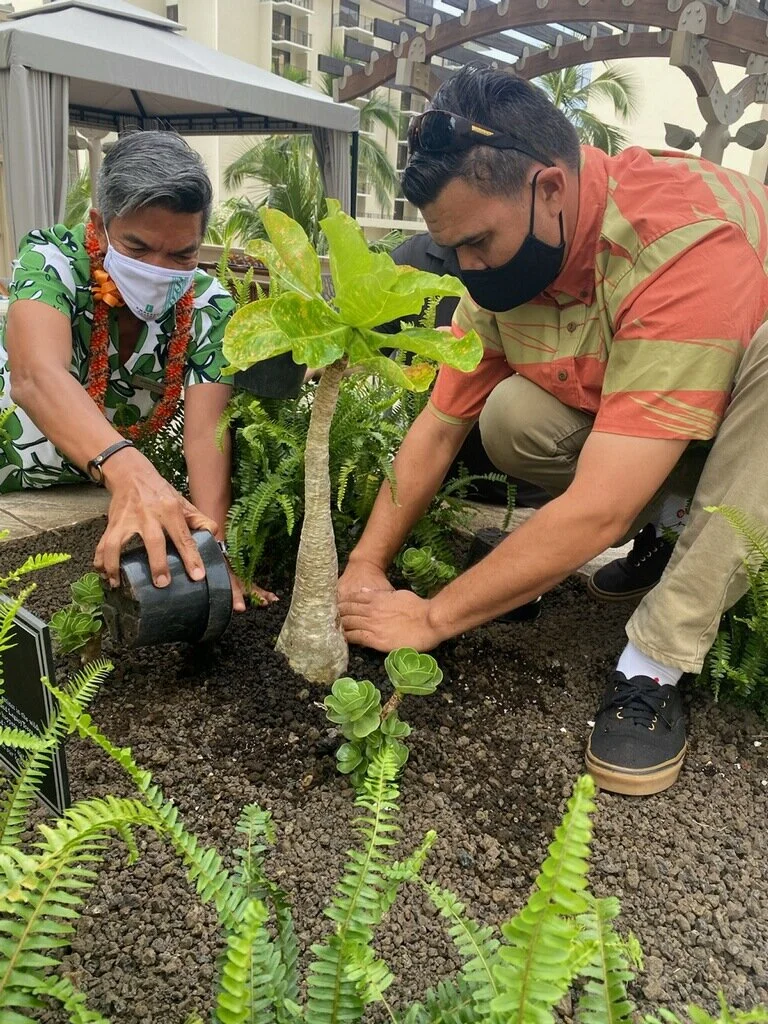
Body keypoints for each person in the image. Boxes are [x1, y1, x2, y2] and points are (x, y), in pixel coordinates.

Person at [338, 66, 768, 796]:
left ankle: (656, 660)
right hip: (670, 423)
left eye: (479, 242)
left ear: (550, 189)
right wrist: (365, 564)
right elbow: (438, 429)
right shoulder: (516, 255)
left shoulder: (679, 243)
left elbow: (599, 509)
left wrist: (434, 618)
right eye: (453, 250)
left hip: (750, 431)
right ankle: (669, 528)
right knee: (512, 416)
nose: (468, 268)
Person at [0, 130, 277, 611]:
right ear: (99, 225)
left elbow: (206, 436)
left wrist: (213, 555)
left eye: (182, 254)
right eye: (137, 247)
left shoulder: (208, 308)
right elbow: (35, 375)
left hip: (89, 489)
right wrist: (131, 470)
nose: (158, 268)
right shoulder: (52, 262)